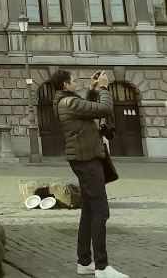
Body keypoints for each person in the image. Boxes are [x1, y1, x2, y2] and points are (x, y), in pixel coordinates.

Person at [52, 69, 128, 278]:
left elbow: (87, 108)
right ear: (66, 85)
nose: (76, 83)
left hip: (83, 158)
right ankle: (102, 267)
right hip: (86, 160)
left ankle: (84, 261)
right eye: (73, 81)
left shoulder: (67, 101)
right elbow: (103, 109)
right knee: (101, 212)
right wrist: (104, 88)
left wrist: (92, 89)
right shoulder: (69, 103)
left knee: (89, 211)